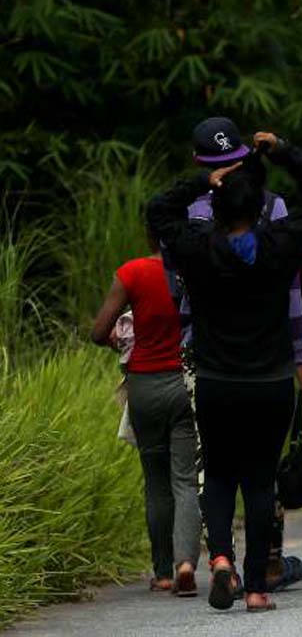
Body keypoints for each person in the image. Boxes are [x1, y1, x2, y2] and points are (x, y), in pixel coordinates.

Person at [147, 132, 302, 612]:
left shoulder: (198, 249)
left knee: (221, 476)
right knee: (259, 482)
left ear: (217, 206)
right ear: (259, 209)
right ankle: (254, 589)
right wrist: (283, 151)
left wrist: (201, 183)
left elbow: (158, 211)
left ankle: (222, 562)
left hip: (215, 382)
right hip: (271, 384)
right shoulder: (278, 245)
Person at [91, 226, 201, 597]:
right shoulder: (191, 271)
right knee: (184, 480)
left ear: (149, 236)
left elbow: (98, 331)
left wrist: (118, 337)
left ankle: (163, 572)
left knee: (156, 482)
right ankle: (187, 562)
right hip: (183, 383)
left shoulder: (132, 273)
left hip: (144, 388)